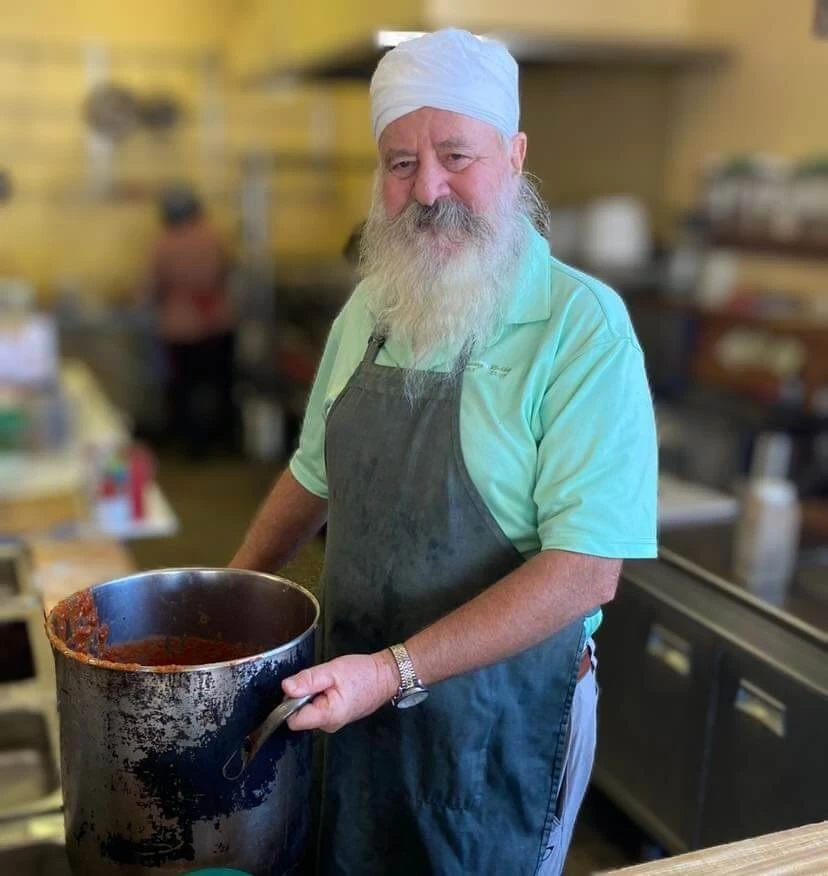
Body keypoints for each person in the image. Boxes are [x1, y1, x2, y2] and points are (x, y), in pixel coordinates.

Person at [231, 28, 657, 876]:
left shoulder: (581, 327)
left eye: (456, 154)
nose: (428, 188)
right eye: (399, 163)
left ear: (515, 154)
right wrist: (227, 601)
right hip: (349, 690)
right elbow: (312, 473)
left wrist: (392, 673)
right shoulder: (371, 311)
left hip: (499, 718)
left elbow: (584, 572)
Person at [148, 185, 236, 457]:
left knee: (183, 389)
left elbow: (151, 286)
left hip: (180, 326)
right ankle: (225, 441)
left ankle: (191, 447)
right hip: (218, 321)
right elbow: (228, 271)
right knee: (220, 385)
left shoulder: (163, 243)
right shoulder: (214, 236)